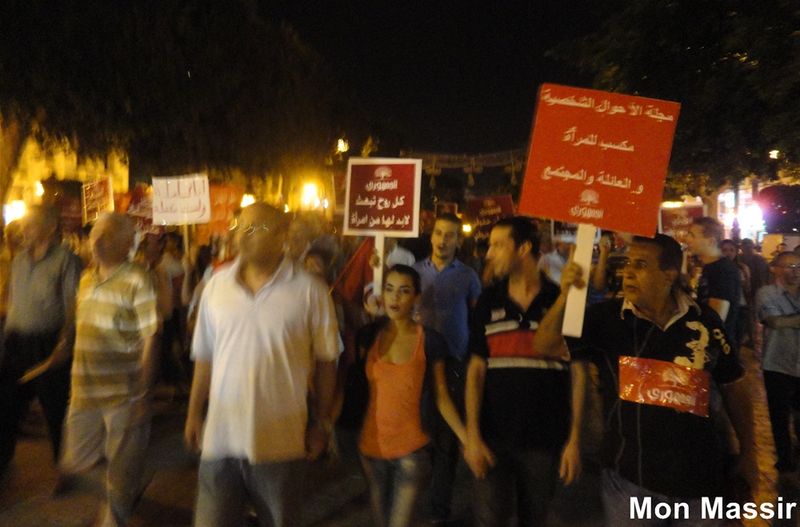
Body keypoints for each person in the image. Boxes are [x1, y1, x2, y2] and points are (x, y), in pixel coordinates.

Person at [556, 234, 757, 526]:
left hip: (700, 486)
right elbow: (549, 345)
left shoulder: (705, 323)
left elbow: (733, 386)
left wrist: (749, 453)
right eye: (627, 264)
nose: (628, 272)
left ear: (669, 274)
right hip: (630, 484)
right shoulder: (608, 319)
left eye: (640, 265)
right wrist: (567, 295)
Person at [185, 203, 339, 527]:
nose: (244, 235)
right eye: (241, 227)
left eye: (256, 228)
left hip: (281, 444)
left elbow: (327, 361)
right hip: (220, 441)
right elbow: (205, 357)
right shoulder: (215, 288)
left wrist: (322, 423)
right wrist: (194, 413)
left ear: (282, 235)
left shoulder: (310, 291)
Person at [464, 216, 578, 527]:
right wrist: (472, 435)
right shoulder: (488, 301)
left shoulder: (559, 299)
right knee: (489, 519)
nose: (489, 254)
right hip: (492, 436)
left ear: (524, 248)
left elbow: (577, 372)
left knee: (535, 517)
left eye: (498, 246)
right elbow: (475, 371)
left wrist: (575, 438)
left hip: (544, 437)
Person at [50, 212, 158, 527]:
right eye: (95, 233)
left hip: (122, 392)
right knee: (75, 462)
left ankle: (114, 514)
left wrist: (143, 392)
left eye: (107, 235)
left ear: (127, 244)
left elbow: (151, 336)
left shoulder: (138, 278)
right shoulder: (85, 278)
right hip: (83, 389)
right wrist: (63, 344)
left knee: (121, 464)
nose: (97, 241)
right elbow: (76, 321)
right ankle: (121, 491)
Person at [352, 265, 466, 527]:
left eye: (404, 291)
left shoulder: (430, 341)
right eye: (389, 290)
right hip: (371, 448)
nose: (395, 298)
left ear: (416, 296)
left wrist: (466, 438)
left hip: (412, 451)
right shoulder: (370, 336)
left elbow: (441, 397)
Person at [0, 206, 82, 474]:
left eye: (31, 225)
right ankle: (3, 458)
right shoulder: (19, 260)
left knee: (55, 407)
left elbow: (72, 305)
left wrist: (65, 343)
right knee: (6, 402)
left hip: (47, 343)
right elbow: (10, 299)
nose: (24, 230)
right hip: (15, 342)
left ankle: (63, 466)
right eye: (24, 225)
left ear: (49, 228)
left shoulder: (66, 260)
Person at [412, 213, 481, 523]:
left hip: (454, 364)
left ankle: (438, 508)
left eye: (449, 235)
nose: (442, 240)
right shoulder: (414, 272)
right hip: (416, 364)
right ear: (431, 236)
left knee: (446, 440)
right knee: (420, 430)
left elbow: (476, 318)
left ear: (458, 240)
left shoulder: (468, 276)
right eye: (438, 233)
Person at [756, 251, 800, 474]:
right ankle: (784, 457)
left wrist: (790, 321)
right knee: (779, 415)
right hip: (777, 363)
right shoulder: (767, 293)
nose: (794, 271)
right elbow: (774, 322)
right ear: (776, 269)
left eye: (797, 267)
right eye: (788, 266)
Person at [686, 217, 741, 352]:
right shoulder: (709, 267)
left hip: (717, 348)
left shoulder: (723, 270)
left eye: (692, 235)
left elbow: (716, 318)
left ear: (710, 241)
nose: (687, 239)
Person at [720, 239, 751, 348]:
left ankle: (736, 360)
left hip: (740, 306)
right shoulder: (716, 268)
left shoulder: (742, 268)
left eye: (731, 250)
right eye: (724, 250)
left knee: (738, 336)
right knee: (725, 337)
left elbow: (748, 289)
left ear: (736, 252)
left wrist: (743, 282)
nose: (728, 253)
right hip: (723, 306)